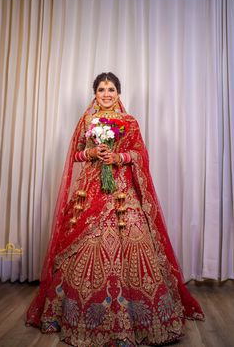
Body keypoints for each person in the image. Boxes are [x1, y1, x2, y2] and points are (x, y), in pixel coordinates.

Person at [26, 72, 204, 347]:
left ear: (119, 93)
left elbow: (140, 154)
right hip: (90, 192)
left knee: (135, 242)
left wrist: (119, 156)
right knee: (84, 245)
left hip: (123, 194)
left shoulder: (130, 122)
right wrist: (93, 154)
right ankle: (80, 319)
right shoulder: (86, 121)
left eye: (111, 89)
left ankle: (145, 321)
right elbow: (76, 155)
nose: (106, 94)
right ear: (94, 93)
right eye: (101, 89)